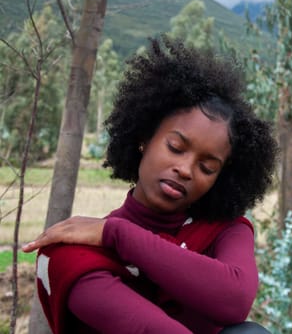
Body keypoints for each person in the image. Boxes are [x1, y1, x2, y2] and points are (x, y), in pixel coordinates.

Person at [23, 36, 278, 334]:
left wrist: (117, 234)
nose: (185, 170)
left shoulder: (224, 230)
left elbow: (235, 301)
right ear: (144, 137)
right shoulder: (71, 252)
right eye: (175, 147)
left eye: (207, 167)